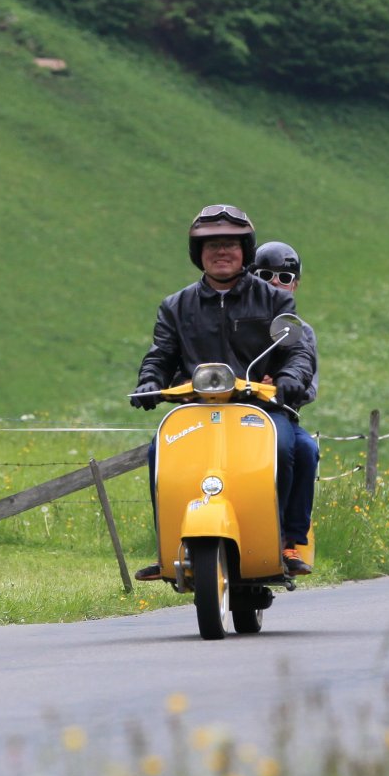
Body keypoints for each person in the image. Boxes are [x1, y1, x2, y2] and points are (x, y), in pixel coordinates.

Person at [129, 205, 316, 578]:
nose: (221, 252)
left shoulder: (275, 300)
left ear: (244, 251)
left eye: (230, 244)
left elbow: (296, 351)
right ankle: (168, 546)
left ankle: (285, 540)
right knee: (158, 451)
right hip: (197, 407)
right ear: (198, 253)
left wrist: (290, 377)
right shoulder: (175, 306)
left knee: (290, 448)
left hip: (259, 407)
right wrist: (149, 381)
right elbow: (161, 355)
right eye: (211, 245)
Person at [249, 241, 320, 566]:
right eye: (265, 275)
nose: (275, 282)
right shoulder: (237, 320)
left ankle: (290, 539)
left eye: (285, 276)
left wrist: (283, 386)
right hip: (232, 411)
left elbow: (310, 387)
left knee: (305, 450)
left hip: (280, 413)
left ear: (295, 284)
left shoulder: (301, 330)